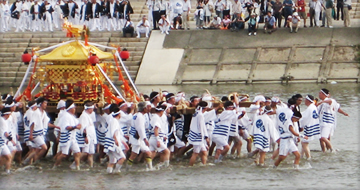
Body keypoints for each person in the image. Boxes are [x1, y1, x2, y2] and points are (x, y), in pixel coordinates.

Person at [317, 88, 348, 153]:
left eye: (320, 93)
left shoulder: (329, 100)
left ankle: (332, 149)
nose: (319, 94)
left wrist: (322, 101)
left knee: (323, 138)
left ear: (323, 94)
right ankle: (324, 151)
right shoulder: (321, 103)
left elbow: (331, 102)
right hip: (322, 122)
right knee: (323, 138)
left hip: (327, 122)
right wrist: (344, 113)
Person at [53, 99, 82, 170]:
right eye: (74, 108)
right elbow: (67, 127)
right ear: (71, 109)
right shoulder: (65, 116)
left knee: (78, 153)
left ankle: (77, 167)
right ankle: (55, 166)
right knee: (64, 154)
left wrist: (78, 126)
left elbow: (77, 123)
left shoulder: (72, 116)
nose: (75, 109)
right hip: (66, 137)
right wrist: (75, 127)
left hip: (72, 137)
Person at [127, 102, 153, 170]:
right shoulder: (140, 117)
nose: (147, 109)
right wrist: (145, 139)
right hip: (137, 137)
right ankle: (128, 168)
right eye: (146, 108)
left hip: (138, 137)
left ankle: (150, 168)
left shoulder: (136, 115)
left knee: (148, 152)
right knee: (133, 155)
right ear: (144, 109)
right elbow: (140, 128)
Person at [104, 107, 129, 174]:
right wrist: (116, 140)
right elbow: (114, 132)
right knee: (122, 158)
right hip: (113, 143)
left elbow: (118, 134)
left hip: (110, 143)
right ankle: (116, 171)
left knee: (112, 161)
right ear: (119, 114)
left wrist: (123, 142)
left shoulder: (114, 121)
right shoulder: (114, 121)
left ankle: (109, 173)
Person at [188, 101, 210, 166]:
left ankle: (204, 165)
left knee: (204, 152)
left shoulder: (196, 113)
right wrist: (206, 137)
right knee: (195, 153)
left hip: (196, 135)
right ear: (205, 108)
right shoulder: (200, 115)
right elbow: (201, 127)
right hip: (198, 137)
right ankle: (190, 166)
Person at [299, 95, 320, 160]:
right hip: (315, 126)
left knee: (304, 143)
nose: (304, 101)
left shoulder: (310, 108)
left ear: (308, 100)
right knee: (304, 142)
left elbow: (304, 118)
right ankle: (301, 156)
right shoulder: (313, 106)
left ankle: (308, 157)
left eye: (305, 99)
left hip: (309, 127)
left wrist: (299, 124)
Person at [78, 101, 97, 168]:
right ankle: (75, 163)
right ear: (89, 109)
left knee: (91, 153)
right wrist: (85, 137)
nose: (92, 110)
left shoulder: (88, 115)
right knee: (85, 152)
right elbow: (83, 128)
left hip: (91, 136)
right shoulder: (84, 116)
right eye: (92, 109)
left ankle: (91, 166)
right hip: (87, 136)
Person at [0, 107, 15, 174]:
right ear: (6, 114)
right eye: (9, 114)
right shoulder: (2, 121)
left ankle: (7, 172)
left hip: (2, 143)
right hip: (0, 142)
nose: (9, 116)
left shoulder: (2, 120)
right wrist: (12, 141)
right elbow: (5, 133)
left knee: (8, 156)